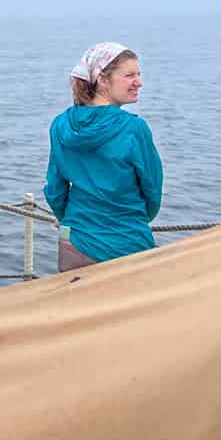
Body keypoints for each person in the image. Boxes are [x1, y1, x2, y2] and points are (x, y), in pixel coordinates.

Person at [43, 43, 163, 272]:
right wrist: (134, 220)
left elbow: (55, 190)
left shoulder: (60, 125)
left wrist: (66, 217)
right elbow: (152, 190)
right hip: (128, 244)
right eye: (129, 75)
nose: (139, 82)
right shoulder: (133, 129)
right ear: (103, 80)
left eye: (139, 74)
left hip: (76, 243)